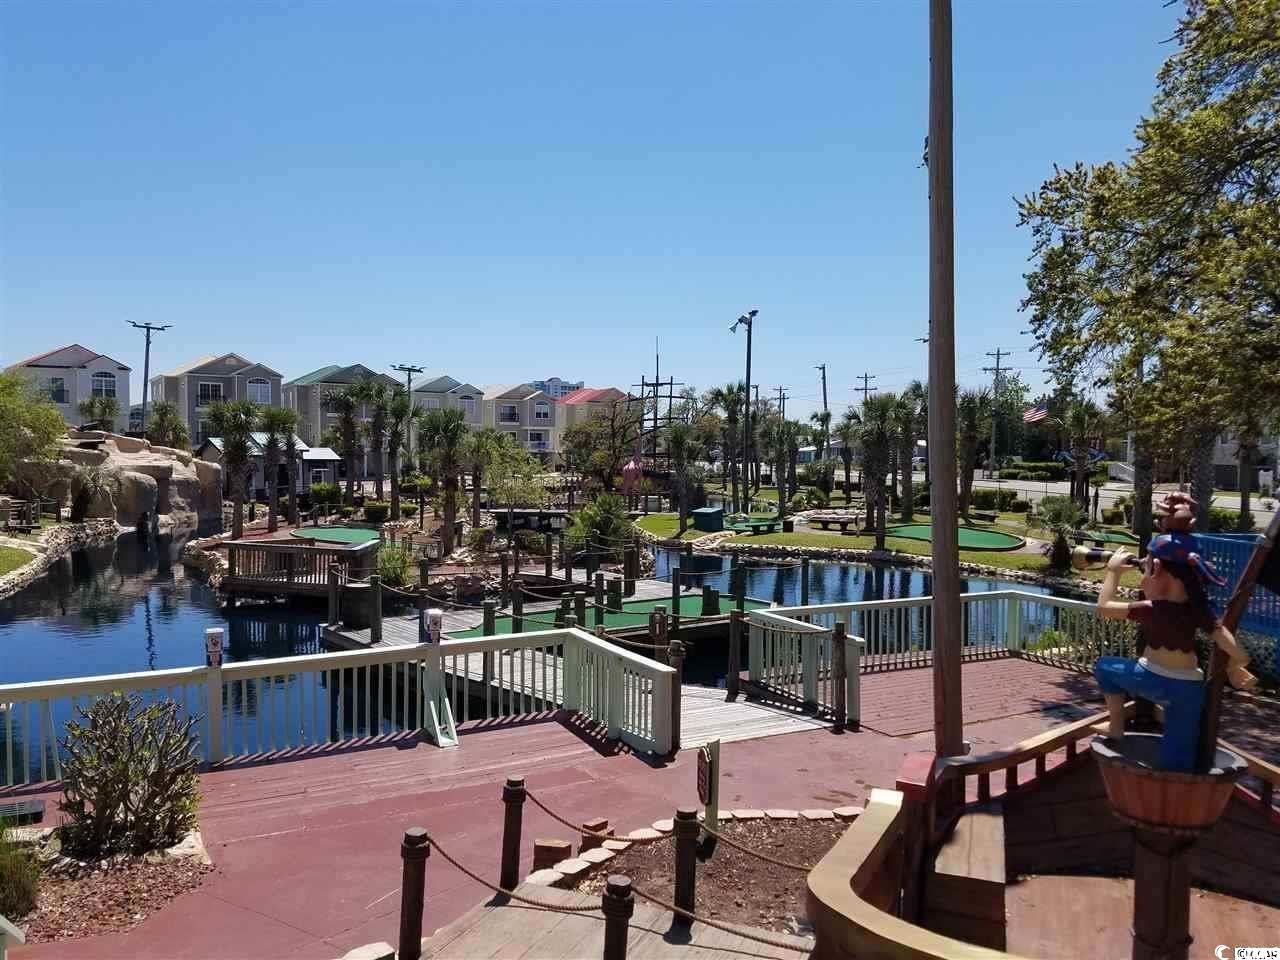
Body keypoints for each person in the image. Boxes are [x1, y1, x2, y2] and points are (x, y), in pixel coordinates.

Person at [1094, 494, 1256, 770]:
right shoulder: (1200, 613)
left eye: (1145, 569)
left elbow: (1104, 607)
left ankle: (1116, 726)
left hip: (1149, 679)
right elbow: (1236, 650)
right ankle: (1179, 788)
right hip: (1188, 689)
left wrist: (1113, 573)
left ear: (1156, 569)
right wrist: (1235, 666)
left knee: (1105, 667)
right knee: (1178, 759)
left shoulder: (1152, 609)